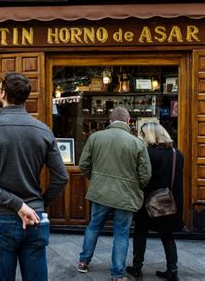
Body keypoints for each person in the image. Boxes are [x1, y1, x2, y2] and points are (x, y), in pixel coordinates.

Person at [0, 72, 69, 281]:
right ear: (26, 97)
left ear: (2, 93)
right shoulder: (43, 130)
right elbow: (61, 177)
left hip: (0, 216)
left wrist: (17, 205)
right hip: (34, 215)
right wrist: (39, 202)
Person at [77, 107, 152, 281]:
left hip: (100, 193)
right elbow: (145, 174)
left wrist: (95, 179)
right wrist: (136, 186)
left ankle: (83, 262)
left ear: (110, 121)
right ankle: (117, 274)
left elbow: (83, 165)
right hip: (126, 195)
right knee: (121, 233)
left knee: (94, 226)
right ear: (128, 121)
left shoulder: (95, 137)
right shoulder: (137, 143)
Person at [126, 123, 183, 281]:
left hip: (148, 199)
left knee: (141, 233)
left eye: (142, 134)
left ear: (149, 136)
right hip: (168, 201)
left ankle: (137, 268)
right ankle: (172, 270)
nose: (141, 137)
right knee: (167, 235)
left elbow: (143, 177)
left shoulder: (147, 153)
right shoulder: (176, 153)